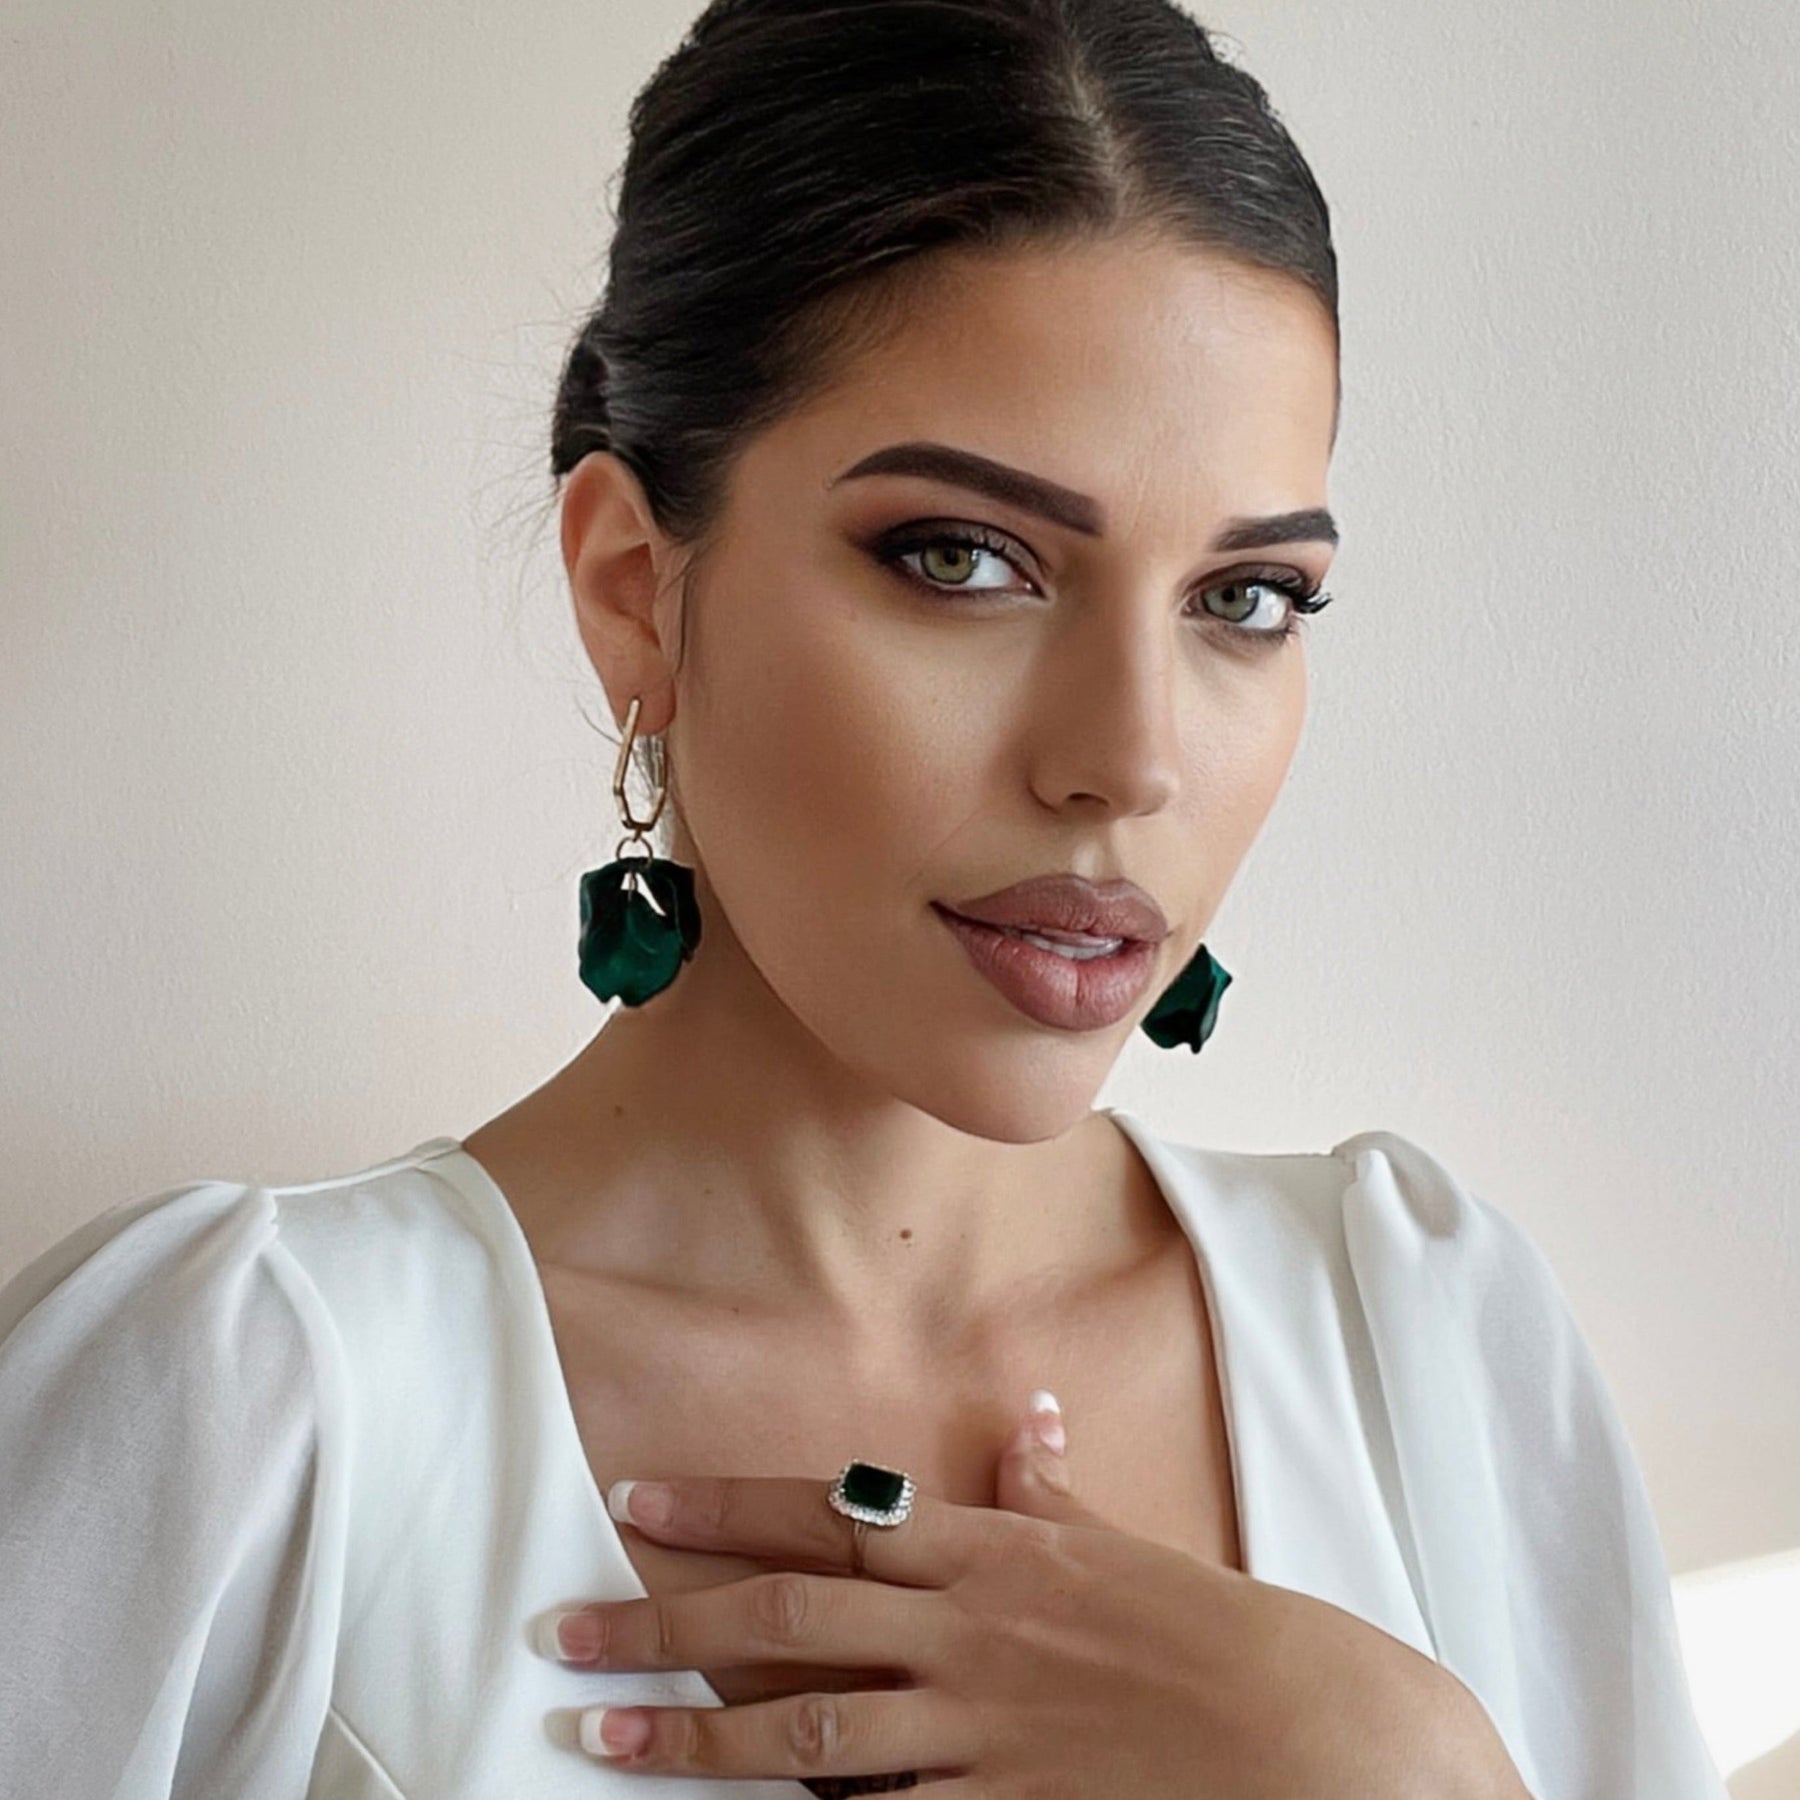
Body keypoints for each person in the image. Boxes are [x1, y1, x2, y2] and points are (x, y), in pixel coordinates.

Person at [0, 1, 1727, 1795]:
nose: (1130, 762)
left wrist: (1410, 1764)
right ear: (631, 590)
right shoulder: (247, 1410)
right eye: (964, 560)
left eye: (1246, 600)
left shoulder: (1427, 1343)